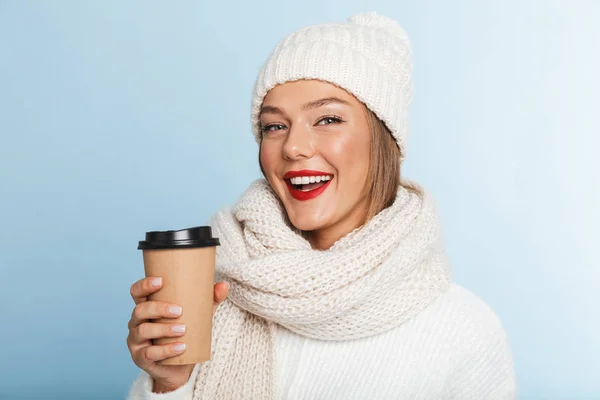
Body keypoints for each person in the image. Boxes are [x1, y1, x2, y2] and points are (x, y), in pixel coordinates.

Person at [126, 11, 516, 400]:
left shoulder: (464, 330)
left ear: (384, 139)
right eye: (274, 126)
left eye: (327, 119)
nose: (293, 147)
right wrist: (169, 384)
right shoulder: (214, 292)